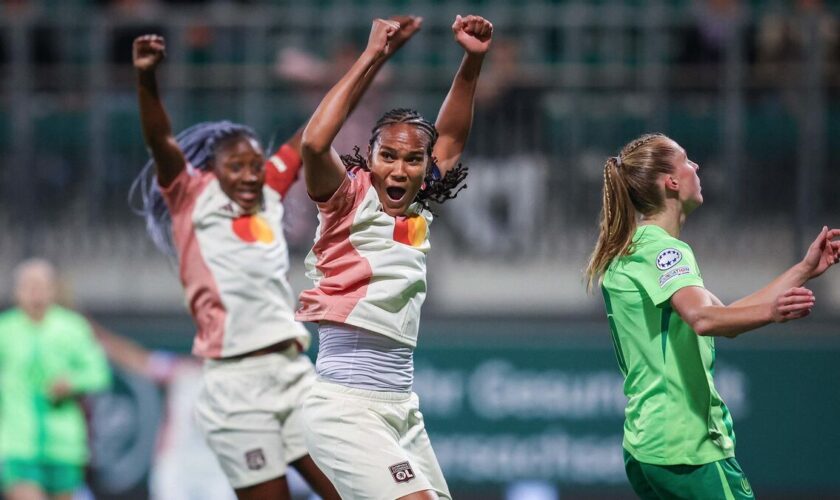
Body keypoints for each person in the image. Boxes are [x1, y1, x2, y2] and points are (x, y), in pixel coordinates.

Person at [129, 19, 421, 500]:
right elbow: (161, 140)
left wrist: (374, 56)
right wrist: (146, 79)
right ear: (208, 171)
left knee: (355, 491)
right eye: (236, 167)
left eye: (254, 163)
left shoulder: (266, 190)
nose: (249, 174)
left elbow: (319, 128)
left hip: (292, 372)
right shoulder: (189, 195)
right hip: (233, 384)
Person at [296, 15, 493, 500]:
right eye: (388, 155)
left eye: (413, 159)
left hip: (400, 407)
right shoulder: (345, 197)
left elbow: (450, 136)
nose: (399, 168)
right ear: (369, 155)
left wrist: (472, 60)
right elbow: (313, 143)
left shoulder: (419, 202)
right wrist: (374, 56)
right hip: (345, 406)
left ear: (426, 167)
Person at [584, 133, 840, 499]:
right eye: (687, 160)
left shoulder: (635, 247)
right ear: (670, 182)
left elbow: (723, 316)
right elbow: (703, 320)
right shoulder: (664, 251)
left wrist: (802, 270)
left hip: (648, 448)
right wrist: (772, 312)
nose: (696, 167)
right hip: (686, 447)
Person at [0, 259, 111, 500]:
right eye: (28, 286)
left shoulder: (73, 328)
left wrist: (71, 382)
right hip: (18, 444)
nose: (34, 293)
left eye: (40, 286)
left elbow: (99, 373)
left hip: (64, 446)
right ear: (17, 291)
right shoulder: (5, 330)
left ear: (53, 290)